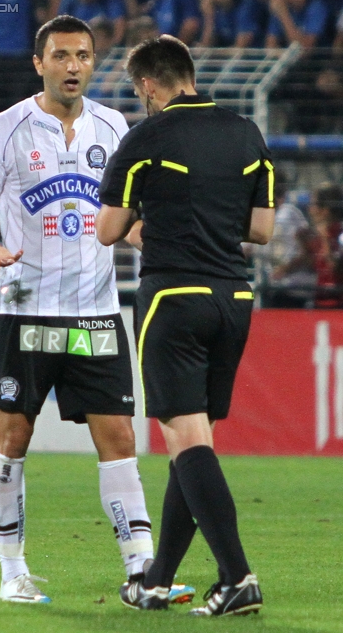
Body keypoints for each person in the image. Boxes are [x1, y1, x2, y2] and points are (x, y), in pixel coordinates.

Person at [0, 15, 193, 606]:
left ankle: (142, 569)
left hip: (95, 313)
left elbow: (128, 215)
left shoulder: (116, 126)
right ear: (38, 63)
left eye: (83, 56)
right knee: (13, 435)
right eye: (60, 55)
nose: (72, 66)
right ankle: (12, 570)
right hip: (23, 310)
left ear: (94, 62)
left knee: (118, 437)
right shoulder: (4, 128)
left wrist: (152, 237)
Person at [96, 34, 275, 615]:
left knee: (187, 441)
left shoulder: (145, 137)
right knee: (192, 439)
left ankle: (238, 577)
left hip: (174, 297)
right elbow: (263, 230)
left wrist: (156, 223)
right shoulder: (246, 132)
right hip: (235, 299)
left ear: (149, 85)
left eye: (138, 90)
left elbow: (107, 229)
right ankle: (155, 580)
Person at [252, 169, 316, 308]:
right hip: (271, 287)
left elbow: (308, 252)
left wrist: (285, 269)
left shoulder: (289, 213)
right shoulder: (260, 215)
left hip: (293, 287)